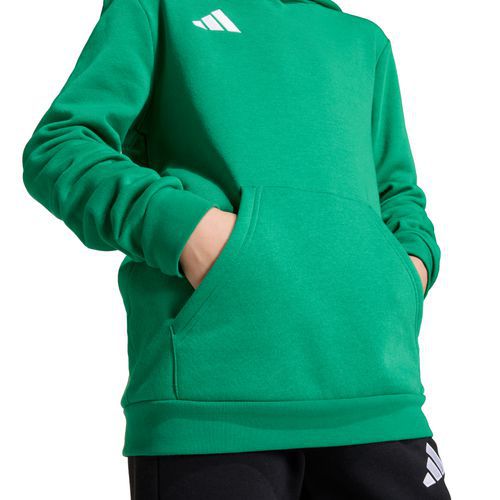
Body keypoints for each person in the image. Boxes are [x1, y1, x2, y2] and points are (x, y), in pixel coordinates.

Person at [22, 0, 452, 498]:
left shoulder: (363, 40)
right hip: (213, 404)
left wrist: (409, 269)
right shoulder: (159, 7)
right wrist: (191, 232)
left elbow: (397, 192)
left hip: (381, 395)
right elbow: (61, 147)